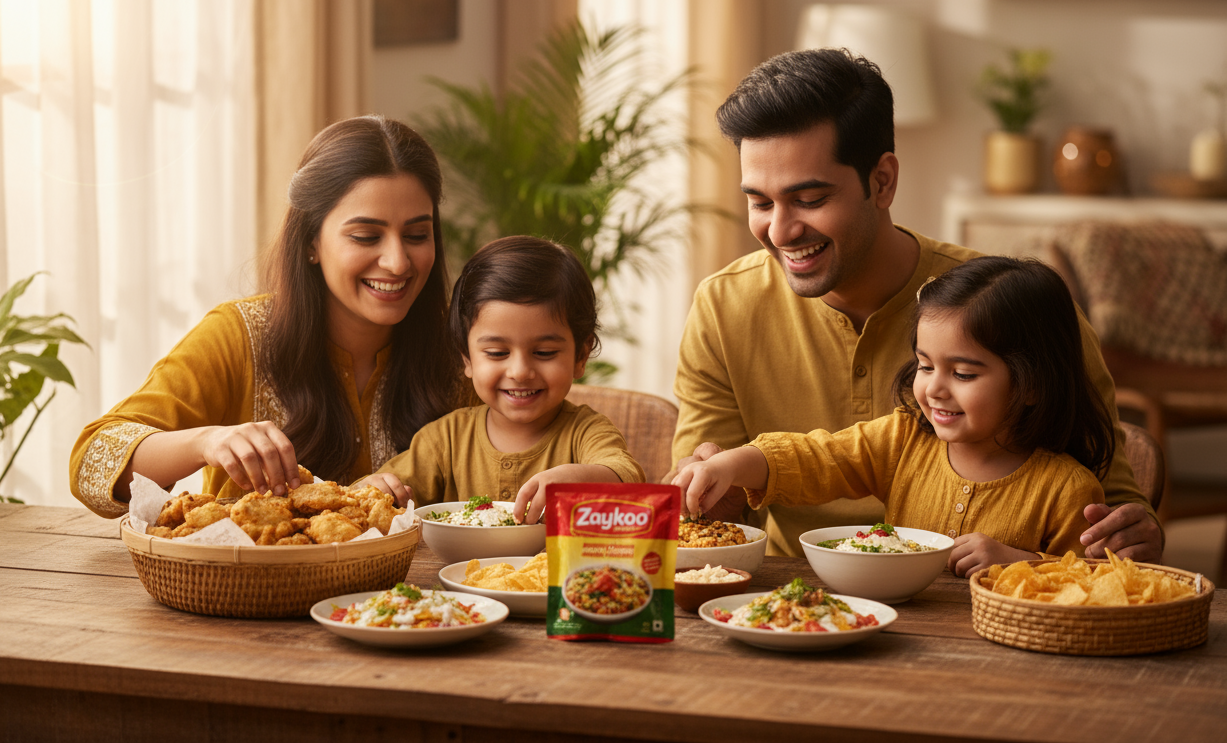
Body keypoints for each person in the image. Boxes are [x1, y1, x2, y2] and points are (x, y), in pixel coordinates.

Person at [672, 48, 1163, 562]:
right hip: (797, 598)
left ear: (882, 181)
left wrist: (1130, 532)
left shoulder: (1020, 310)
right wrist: (706, 485)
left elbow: (1114, 507)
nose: (779, 231)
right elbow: (716, 512)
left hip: (986, 604)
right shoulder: (723, 306)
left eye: (810, 199)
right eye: (760, 202)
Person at [70, 116, 462, 517]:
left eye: (417, 236)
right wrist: (206, 442)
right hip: (251, 580)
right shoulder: (238, 336)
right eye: (365, 237)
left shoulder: (465, 350)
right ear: (311, 241)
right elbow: (92, 460)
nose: (397, 262)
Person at [674, 256, 1115, 576]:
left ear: (1032, 383)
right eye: (925, 366)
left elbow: (1091, 581)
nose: (934, 388)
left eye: (962, 372)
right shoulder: (905, 439)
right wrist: (732, 464)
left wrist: (1019, 564)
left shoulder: (1069, 489)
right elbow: (818, 458)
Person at [362, 236, 646, 523]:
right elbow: (376, 493)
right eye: (497, 353)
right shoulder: (443, 440)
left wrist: (578, 479)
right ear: (467, 357)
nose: (520, 371)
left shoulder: (587, 432)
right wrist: (372, 488)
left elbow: (628, 479)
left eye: (544, 352)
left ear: (581, 356)